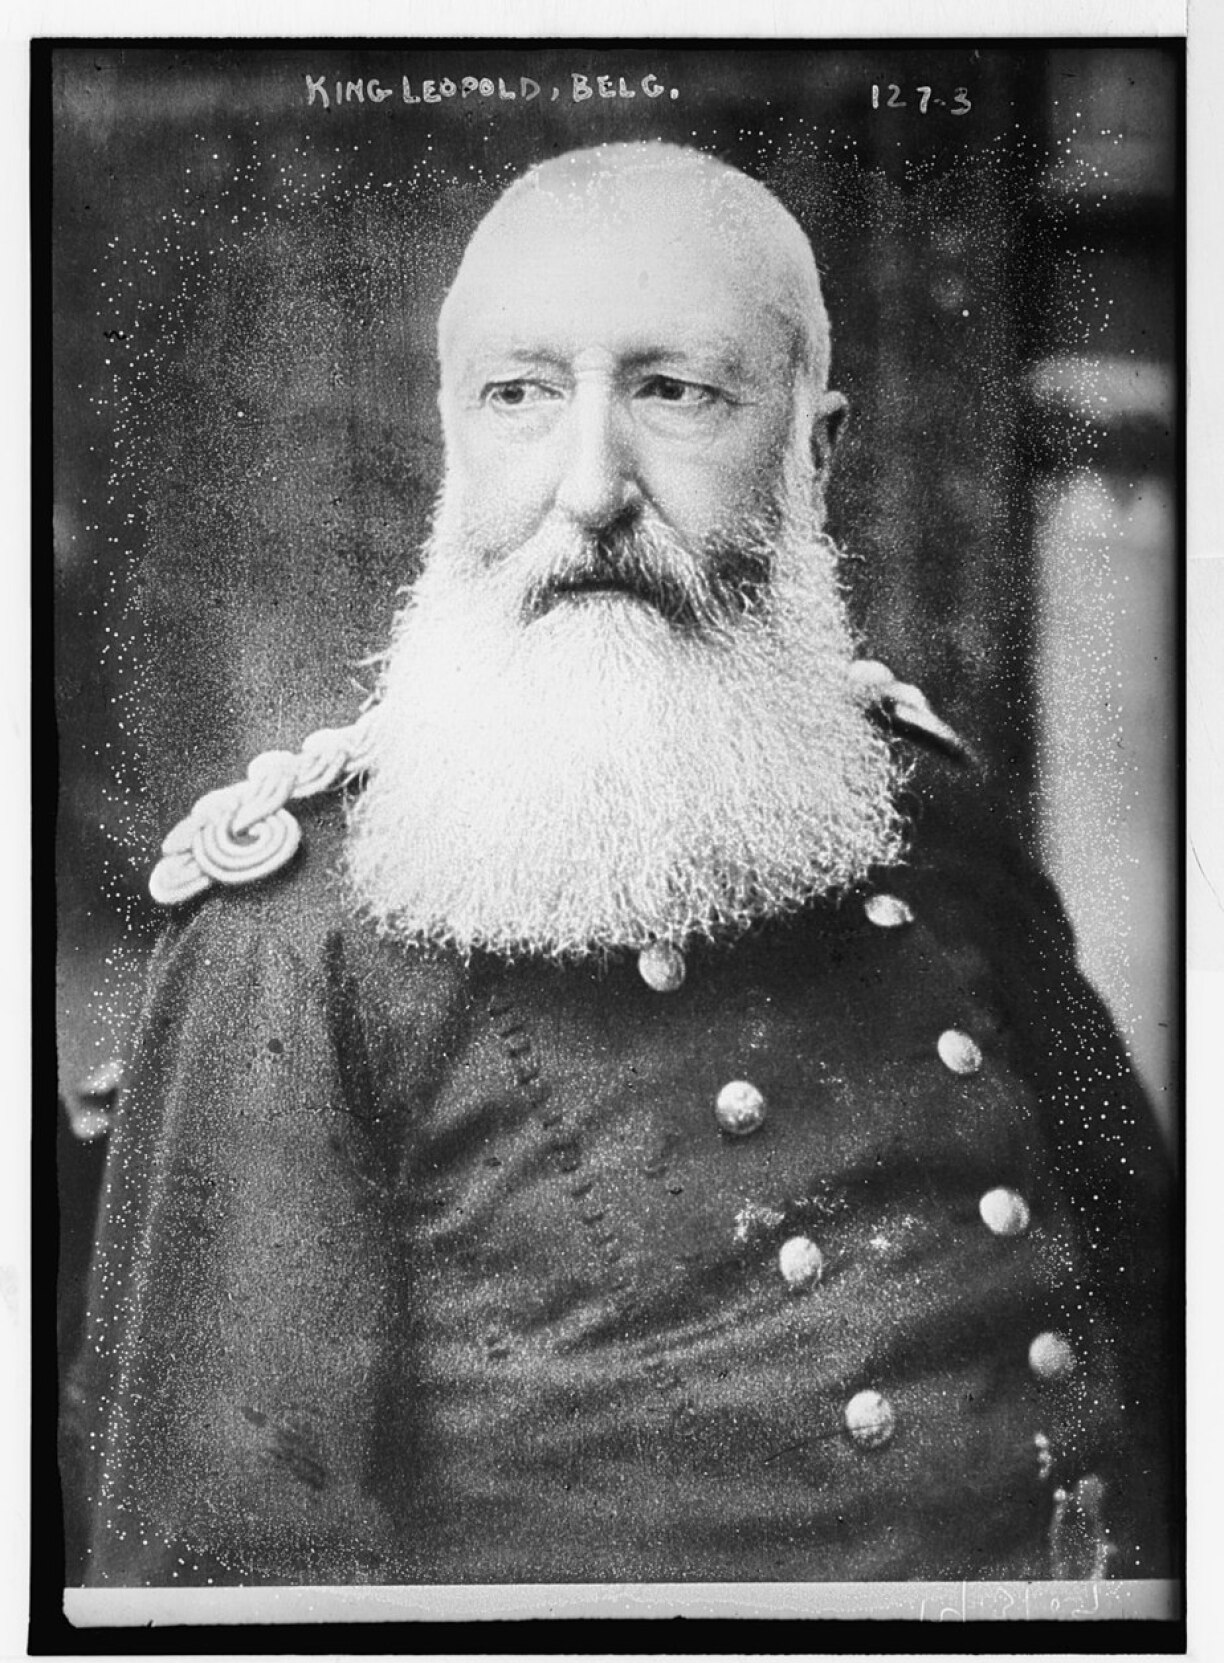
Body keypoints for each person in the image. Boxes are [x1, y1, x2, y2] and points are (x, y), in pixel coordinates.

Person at [71, 141, 1174, 1588]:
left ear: (813, 453)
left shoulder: (931, 819)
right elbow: (218, 1590)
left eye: (674, 393)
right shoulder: (293, 941)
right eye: (522, 398)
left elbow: (1157, 1313)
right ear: (458, 441)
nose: (589, 487)